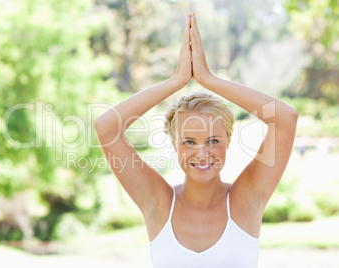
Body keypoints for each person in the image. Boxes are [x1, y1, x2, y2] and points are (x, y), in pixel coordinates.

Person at [94, 13, 298, 268]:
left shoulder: (247, 199)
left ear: (228, 140)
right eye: (189, 142)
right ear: (173, 143)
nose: (202, 153)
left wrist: (207, 79)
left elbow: (286, 118)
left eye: (213, 141)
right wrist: (177, 80)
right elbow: (106, 127)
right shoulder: (158, 203)